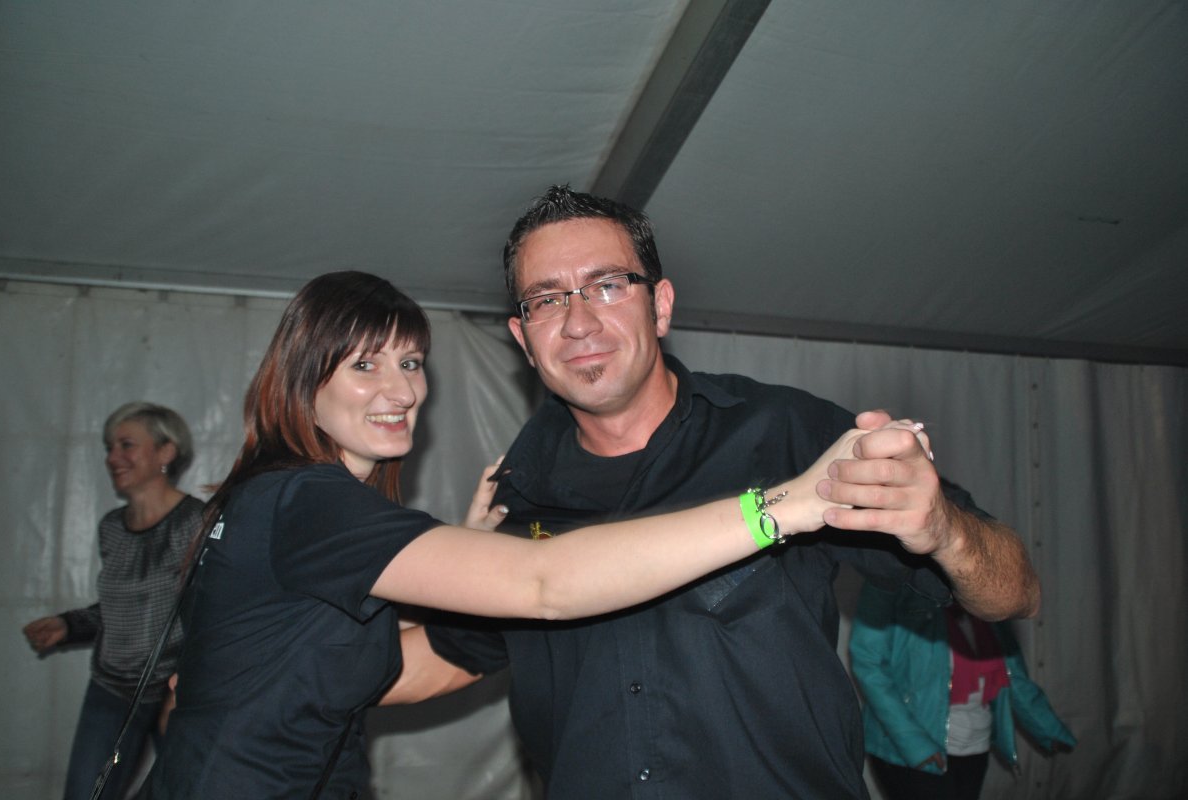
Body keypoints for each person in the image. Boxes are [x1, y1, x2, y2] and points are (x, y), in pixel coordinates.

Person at [137, 269, 909, 799]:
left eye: (411, 361)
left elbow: (359, 662)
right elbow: (544, 584)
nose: (400, 389)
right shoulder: (307, 499)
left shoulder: (293, 502)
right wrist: (788, 504)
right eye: (364, 366)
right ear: (304, 380)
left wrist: (470, 563)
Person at [392, 185, 1042, 799]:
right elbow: (448, 656)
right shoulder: (515, 496)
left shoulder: (785, 435)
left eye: (608, 286)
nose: (578, 322)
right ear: (523, 338)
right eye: (546, 300)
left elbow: (1014, 591)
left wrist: (945, 531)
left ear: (660, 305)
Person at [22, 402, 203, 800]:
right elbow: (124, 608)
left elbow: (210, 614)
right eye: (109, 447)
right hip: (111, 689)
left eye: (126, 445)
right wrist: (67, 625)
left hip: (175, 693)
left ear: (166, 452)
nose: (112, 458)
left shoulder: (196, 522)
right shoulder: (111, 528)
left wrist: (185, 686)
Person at [849, 580, 1075, 800]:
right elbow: (868, 663)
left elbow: (1011, 672)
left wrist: (1046, 728)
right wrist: (914, 744)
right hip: (907, 751)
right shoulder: (891, 580)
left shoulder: (984, 591)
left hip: (975, 743)